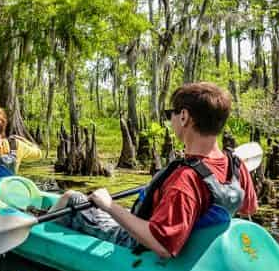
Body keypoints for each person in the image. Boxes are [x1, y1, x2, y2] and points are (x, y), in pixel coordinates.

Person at [50, 82, 258, 259]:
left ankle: (39, 235)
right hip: (196, 248)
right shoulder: (236, 165)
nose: (171, 119)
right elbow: (249, 209)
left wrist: (109, 205)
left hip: (138, 244)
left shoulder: (185, 180)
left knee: (71, 198)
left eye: (171, 114)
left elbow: (163, 246)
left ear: (184, 116)